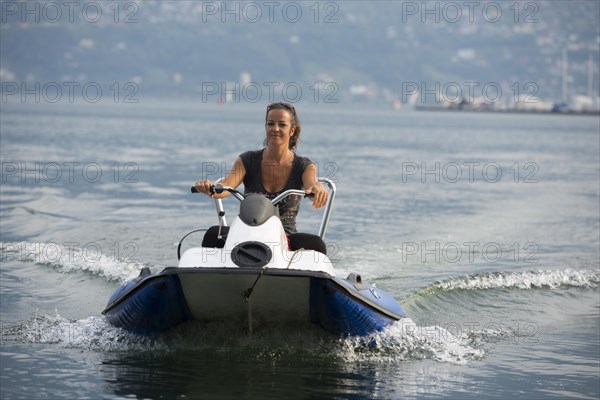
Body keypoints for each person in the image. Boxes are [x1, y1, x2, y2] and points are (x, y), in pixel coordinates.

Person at [194, 102, 328, 235]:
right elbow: (226, 187)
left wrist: (318, 187)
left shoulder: (304, 165)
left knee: (316, 244)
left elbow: (312, 186)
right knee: (212, 234)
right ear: (265, 127)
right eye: (271, 124)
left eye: (282, 125)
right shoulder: (247, 160)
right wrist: (209, 188)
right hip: (249, 232)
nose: (275, 128)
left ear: (292, 130)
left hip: (285, 238)